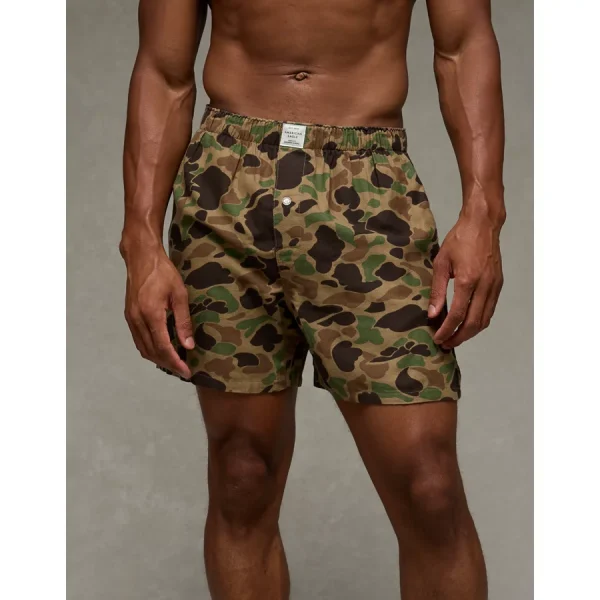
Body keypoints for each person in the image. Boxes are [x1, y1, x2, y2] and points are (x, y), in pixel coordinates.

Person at [120, 0, 505, 598]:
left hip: (368, 187)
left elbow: (464, 44)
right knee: (242, 471)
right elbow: (162, 70)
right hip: (226, 184)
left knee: (427, 483)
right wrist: (141, 240)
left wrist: (483, 212)